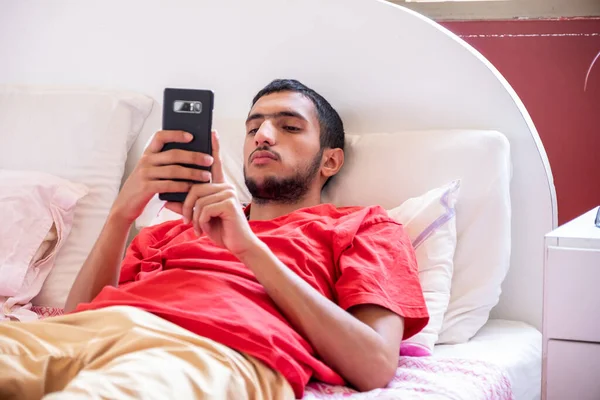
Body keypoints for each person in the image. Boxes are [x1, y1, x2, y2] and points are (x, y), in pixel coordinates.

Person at [0, 79, 428, 400]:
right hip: (91, 332)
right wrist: (120, 214)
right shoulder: (176, 227)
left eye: (289, 127)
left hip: (216, 350)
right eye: (253, 127)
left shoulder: (364, 226)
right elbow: (77, 316)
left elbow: (373, 366)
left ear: (330, 160)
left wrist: (249, 249)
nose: (262, 135)